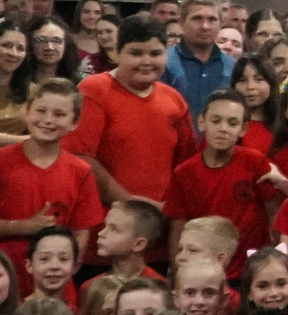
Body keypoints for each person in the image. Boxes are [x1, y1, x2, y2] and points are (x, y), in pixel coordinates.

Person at [73, 15, 198, 206]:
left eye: (155, 54)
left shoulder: (174, 100)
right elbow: (80, 156)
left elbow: (186, 164)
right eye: (136, 53)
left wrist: (169, 208)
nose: (146, 61)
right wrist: (130, 204)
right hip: (106, 214)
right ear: (117, 53)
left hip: (161, 214)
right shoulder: (93, 90)